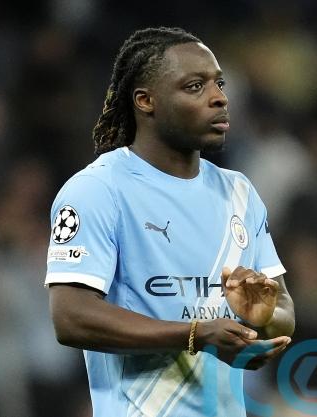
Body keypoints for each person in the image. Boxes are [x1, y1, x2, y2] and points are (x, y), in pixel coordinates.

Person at [45, 26, 295, 417]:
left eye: (219, 83)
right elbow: (71, 317)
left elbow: (282, 310)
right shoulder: (98, 189)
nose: (219, 98)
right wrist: (195, 335)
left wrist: (263, 318)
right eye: (195, 87)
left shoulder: (240, 192)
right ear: (146, 101)